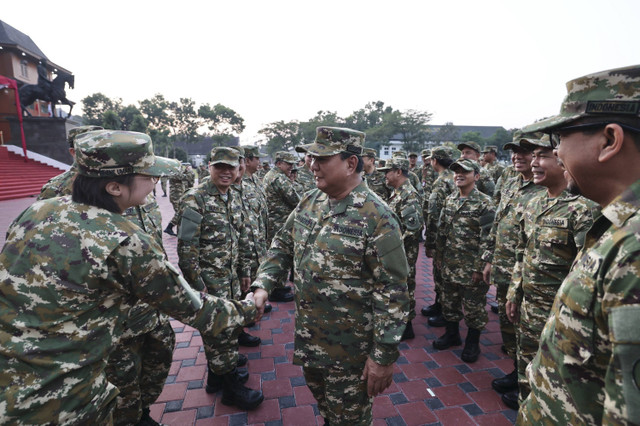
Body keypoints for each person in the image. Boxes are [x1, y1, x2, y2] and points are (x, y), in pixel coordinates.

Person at [0, 131, 257, 424]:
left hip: (15, 384)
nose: (155, 183)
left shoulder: (38, 211)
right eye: (149, 175)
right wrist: (250, 306)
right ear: (114, 187)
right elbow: (194, 309)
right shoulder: (122, 237)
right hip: (67, 401)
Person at [250, 126, 410, 425]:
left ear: (351, 164)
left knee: (349, 419)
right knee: (326, 410)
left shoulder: (377, 216)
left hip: (350, 354)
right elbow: (282, 245)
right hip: (312, 340)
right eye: (311, 157)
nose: (312, 165)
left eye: (322, 159)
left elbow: (393, 292)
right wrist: (263, 285)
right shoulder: (311, 200)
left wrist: (383, 356)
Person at [517, 65, 640, 425]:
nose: (556, 155)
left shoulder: (633, 250)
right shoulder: (618, 226)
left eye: (560, 140)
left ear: (609, 141)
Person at [500, 135, 597, 410]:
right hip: (528, 308)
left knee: (553, 385)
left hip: (557, 318)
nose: (534, 163)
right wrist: (513, 292)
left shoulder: (583, 210)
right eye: (535, 156)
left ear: (561, 160)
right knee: (525, 371)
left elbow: (584, 275)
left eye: (542, 156)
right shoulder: (534, 203)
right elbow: (522, 251)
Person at [176, 147, 264, 410]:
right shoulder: (195, 199)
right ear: (209, 167)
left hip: (232, 276)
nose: (226, 172)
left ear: (238, 169)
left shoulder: (232, 196)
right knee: (219, 332)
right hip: (210, 281)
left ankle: (217, 377)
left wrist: (246, 272)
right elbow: (186, 247)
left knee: (230, 329)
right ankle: (230, 389)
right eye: (220, 167)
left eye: (231, 167)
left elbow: (242, 236)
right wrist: (197, 284)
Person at [481, 134, 545, 396]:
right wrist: (488, 258)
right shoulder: (509, 183)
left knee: (528, 330)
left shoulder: (545, 189)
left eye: (525, 151)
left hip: (528, 273)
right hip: (504, 267)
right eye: (514, 151)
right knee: (508, 325)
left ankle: (530, 384)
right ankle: (516, 370)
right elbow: (497, 222)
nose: (518, 156)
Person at [433, 159, 495, 363]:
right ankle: (452, 335)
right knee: (449, 303)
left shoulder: (484, 203)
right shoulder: (450, 200)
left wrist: (480, 267)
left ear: (476, 176)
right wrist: (439, 257)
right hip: (450, 264)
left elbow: (489, 238)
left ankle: (472, 343)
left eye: (465, 172)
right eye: (456, 172)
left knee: (473, 308)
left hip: (471, 268)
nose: (459, 175)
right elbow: (443, 231)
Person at [379, 157, 424, 340]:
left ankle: (407, 326)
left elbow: (412, 230)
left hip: (403, 251)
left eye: (388, 172)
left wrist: (391, 247)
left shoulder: (409, 195)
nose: (385, 176)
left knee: (405, 285)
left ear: (398, 172)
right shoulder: (397, 192)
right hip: (396, 250)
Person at [421, 146, 456, 326]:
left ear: (435, 161)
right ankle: (440, 304)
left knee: (441, 271)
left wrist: (431, 242)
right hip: (454, 233)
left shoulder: (442, 181)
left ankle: (444, 310)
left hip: (443, 235)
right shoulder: (453, 177)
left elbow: (434, 214)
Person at [262, 151, 300, 303]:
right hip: (280, 222)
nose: (291, 167)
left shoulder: (270, 175)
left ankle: (278, 285)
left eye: (292, 164)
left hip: (274, 221)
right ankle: (276, 289)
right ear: (279, 163)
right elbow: (295, 200)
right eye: (288, 164)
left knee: (276, 253)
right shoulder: (279, 178)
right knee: (280, 255)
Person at [38, 125, 104, 200]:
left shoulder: (116, 179)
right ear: (73, 152)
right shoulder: (55, 188)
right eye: (88, 148)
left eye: (100, 146)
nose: (96, 152)